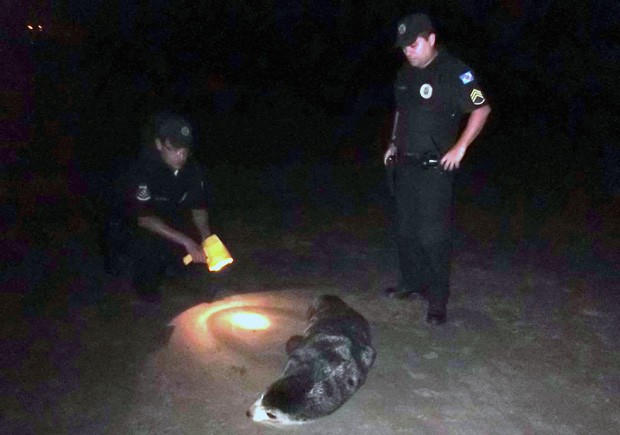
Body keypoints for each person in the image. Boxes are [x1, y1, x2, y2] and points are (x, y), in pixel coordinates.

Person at [382, 13, 491, 325]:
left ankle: (437, 300)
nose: (408, 52)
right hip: (404, 165)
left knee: (433, 236)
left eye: (414, 45)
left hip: (435, 169)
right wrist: (392, 142)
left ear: (430, 39)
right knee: (406, 230)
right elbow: (401, 111)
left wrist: (460, 147)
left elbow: (481, 108)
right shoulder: (404, 73)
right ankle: (411, 284)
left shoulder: (455, 71)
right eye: (404, 47)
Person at [104, 112, 212, 302]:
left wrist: (206, 237)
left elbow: (198, 208)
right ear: (159, 144)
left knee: (192, 241)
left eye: (185, 150)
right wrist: (186, 241)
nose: (181, 156)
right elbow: (144, 219)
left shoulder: (192, 170)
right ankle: (143, 285)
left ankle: (172, 268)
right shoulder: (144, 170)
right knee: (146, 246)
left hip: (167, 214)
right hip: (133, 220)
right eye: (174, 149)